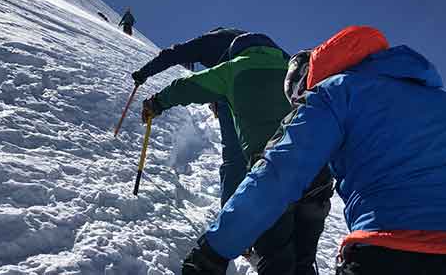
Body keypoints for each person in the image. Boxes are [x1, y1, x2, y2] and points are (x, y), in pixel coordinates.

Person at [179, 26, 446, 275]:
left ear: (308, 78)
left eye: (298, 99)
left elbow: (278, 173)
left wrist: (213, 250)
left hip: (387, 251)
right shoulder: (438, 99)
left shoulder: (334, 92)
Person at [141, 32, 332, 275]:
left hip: (272, 176)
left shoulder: (231, 69)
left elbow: (185, 87)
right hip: (316, 176)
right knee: (304, 261)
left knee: (277, 257)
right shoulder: (293, 69)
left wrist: (155, 103)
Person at [131, 27, 248, 207]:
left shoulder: (207, 42)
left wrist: (143, 74)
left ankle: (233, 222)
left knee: (235, 159)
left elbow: (172, 55)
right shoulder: (250, 40)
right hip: (280, 82)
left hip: (235, 88)